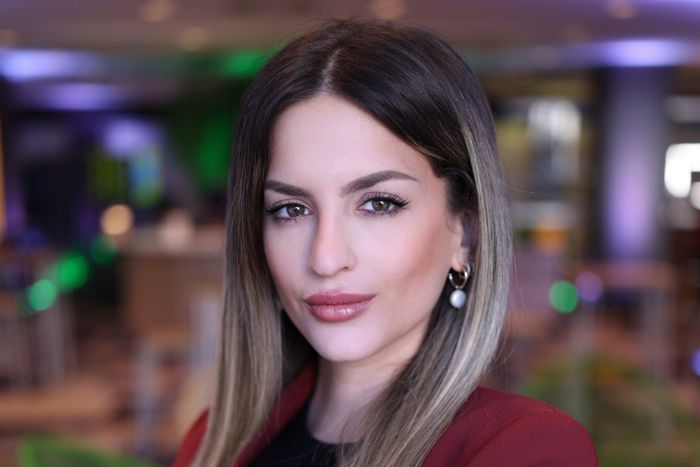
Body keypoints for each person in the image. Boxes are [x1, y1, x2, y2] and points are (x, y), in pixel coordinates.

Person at [172, 19, 598, 467]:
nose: (325, 258)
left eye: (379, 204)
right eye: (291, 209)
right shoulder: (212, 442)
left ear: (465, 231)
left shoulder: (528, 448)